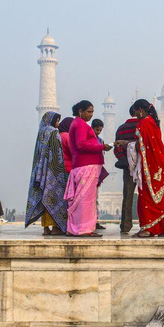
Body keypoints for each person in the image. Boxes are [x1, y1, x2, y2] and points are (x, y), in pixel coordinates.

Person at [64, 100, 112, 237]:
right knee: (85, 200)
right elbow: (81, 144)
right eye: (89, 112)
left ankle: (76, 228)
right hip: (85, 165)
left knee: (82, 199)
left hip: (84, 165)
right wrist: (102, 147)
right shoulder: (79, 124)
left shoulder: (79, 124)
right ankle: (83, 229)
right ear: (81, 111)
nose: (91, 115)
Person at [128, 99, 164, 237]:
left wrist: (127, 144)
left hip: (149, 165)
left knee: (147, 196)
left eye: (135, 113)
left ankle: (148, 229)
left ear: (140, 110)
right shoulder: (154, 122)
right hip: (158, 163)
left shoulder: (144, 123)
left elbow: (141, 145)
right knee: (158, 195)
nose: (135, 116)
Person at [25, 111, 68, 235]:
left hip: (40, 172)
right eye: (57, 120)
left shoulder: (41, 132)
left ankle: (45, 228)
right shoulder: (53, 132)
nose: (58, 124)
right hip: (53, 171)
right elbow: (56, 152)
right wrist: (60, 171)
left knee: (44, 199)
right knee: (54, 199)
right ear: (51, 120)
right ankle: (55, 228)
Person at [114, 106, 140, 234]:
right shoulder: (143, 125)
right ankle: (148, 224)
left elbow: (117, 148)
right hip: (143, 166)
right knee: (146, 196)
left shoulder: (121, 128)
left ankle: (125, 226)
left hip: (128, 168)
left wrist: (125, 160)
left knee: (128, 196)